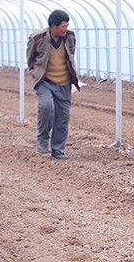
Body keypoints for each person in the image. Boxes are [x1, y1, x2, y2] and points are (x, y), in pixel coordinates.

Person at [27, 9, 80, 159]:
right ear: (53, 26)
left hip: (64, 83)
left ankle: (58, 150)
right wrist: (36, 73)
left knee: (62, 118)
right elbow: (30, 60)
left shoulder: (70, 37)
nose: (66, 29)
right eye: (63, 26)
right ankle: (42, 140)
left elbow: (70, 56)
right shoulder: (37, 38)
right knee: (46, 106)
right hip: (45, 82)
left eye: (67, 25)